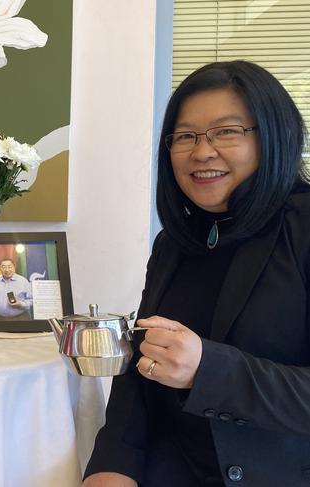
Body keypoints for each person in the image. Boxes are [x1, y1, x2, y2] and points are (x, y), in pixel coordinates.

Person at [83, 60, 310, 486]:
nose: (202, 151)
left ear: (273, 135)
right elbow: (144, 365)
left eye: (226, 131)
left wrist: (209, 370)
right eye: (185, 136)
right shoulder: (175, 242)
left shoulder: (302, 225)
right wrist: (111, 466)